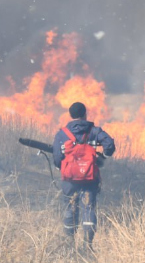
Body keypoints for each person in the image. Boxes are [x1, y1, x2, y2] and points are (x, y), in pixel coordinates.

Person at [52, 102, 116, 247]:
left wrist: (61, 167)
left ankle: (69, 243)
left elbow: (56, 157)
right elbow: (109, 144)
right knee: (89, 208)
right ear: (85, 114)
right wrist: (104, 156)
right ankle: (88, 244)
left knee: (70, 206)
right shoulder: (94, 131)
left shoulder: (62, 134)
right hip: (90, 178)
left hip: (69, 179)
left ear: (70, 115)